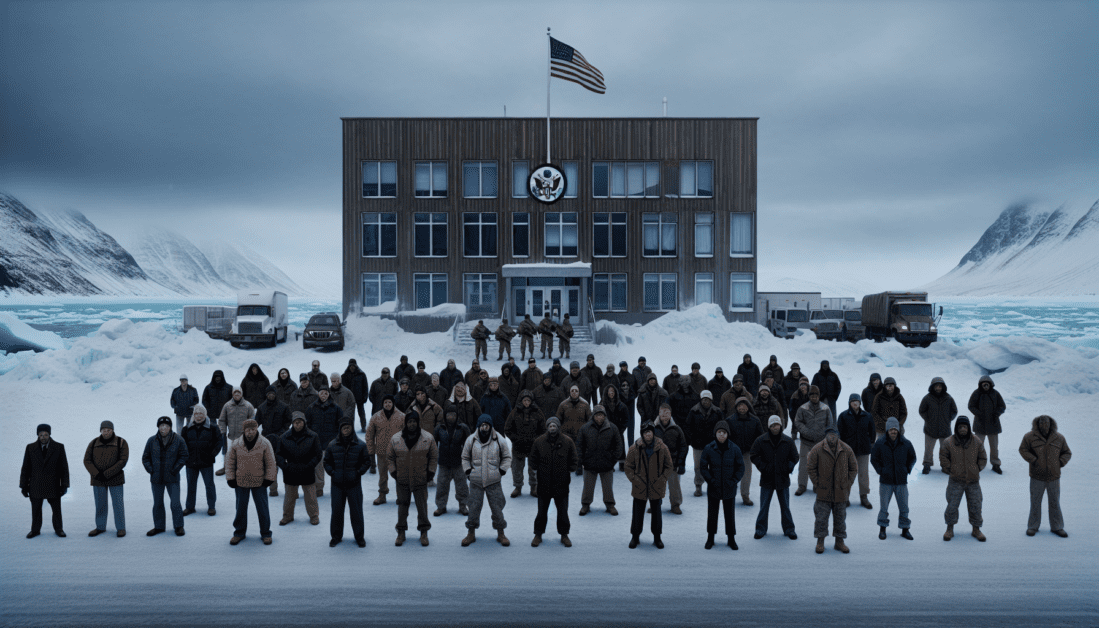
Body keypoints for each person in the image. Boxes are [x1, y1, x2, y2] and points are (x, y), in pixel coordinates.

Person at [388, 410, 439, 547]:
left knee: (422, 507)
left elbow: (434, 456)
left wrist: (431, 472)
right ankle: (401, 532)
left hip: (420, 479)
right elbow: (390, 457)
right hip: (402, 480)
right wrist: (393, 472)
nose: (412, 424)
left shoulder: (427, 438)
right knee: (402, 507)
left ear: (418, 423)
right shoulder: (396, 438)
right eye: (409, 422)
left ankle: (423, 532)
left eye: (414, 421)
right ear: (406, 423)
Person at [461, 415, 513, 547]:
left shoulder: (499, 439)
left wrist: (501, 471)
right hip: (476, 481)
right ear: (479, 426)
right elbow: (465, 457)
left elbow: (507, 457)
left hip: (494, 481)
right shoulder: (471, 440)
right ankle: (470, 533)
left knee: (497, 508)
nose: (485, 428)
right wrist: (468, 471)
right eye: (482, 425)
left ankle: (501, 533)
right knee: (473, 508)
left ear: (491, 426)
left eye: (487, 425)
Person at [807, 426, 858, 554]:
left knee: (840, 518)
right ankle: (820, 542)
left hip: (841, 491)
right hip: (823, 491)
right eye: (830, 434)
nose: (832, 437)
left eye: (834, 434)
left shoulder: (846, 449)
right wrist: (817, 482)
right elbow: (810, 466)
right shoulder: (817, 449)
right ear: (826, 435)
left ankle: (839, 542)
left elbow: (854, 468)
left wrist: (847, 484)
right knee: (821, 518)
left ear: (838, 435)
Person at [529, 416, 578, 547]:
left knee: (563, 512)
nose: (552, 427)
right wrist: (535, 468)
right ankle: (538, 534)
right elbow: (532, 459)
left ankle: (564, 535)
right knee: (541, 512)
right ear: (547, 427)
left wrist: (569, 469)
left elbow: (574, 459)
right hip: (543, 484)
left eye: (554, 425)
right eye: (550, 425)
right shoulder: (539, 442)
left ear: (558, 427)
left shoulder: (567, 441)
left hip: (561, 485)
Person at [1019, 415, 1071, 537]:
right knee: (1035, 503)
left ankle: (1057, 527)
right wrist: (1033, 460)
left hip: (1054, 476)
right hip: (1036, 476)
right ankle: (1032, 526)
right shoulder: (1029, 437)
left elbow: (1067, 452)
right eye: (1041, 423)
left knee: (1055, 502)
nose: (1044, 425)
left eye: (1046, 422)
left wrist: (1060, 462)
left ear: (1051, 424)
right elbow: (1023, 450)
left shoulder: (1059, 438)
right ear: (1037, 424)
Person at [226, 418, 276, 546]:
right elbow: (230, 462)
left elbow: (270, 462)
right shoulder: (236, 444)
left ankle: (266, 533)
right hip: (240, 482)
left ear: (256, 429)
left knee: (263, 509)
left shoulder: (264, 443)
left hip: (259, 482)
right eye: (248, 429)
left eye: (253, 429)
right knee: (240, 509)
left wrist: (269, 478)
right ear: (244, 430)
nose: (250, 432)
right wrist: (230, 478)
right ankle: (239, 532)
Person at [750, 416, 799, 540]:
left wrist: (789, 466)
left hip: (783, 479)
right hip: (767, 479)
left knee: (785, 507)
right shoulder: (761, 440)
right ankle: (760, 529)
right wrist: (763, 466)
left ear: (780, 426)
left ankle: (789, 529)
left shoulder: (788, 441)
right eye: (772, 425)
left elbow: (795, 457)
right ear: (769, 427)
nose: (774, 427)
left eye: (776, 425)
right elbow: (753, 455)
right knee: (764, 506)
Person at [625, 422, 672, 549]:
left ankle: (657, 537)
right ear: (642, 434)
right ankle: (635, 536)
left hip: (656, 486)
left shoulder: (662, 448)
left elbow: (669, 466)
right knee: (637, 513)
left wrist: (662, 479)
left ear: (653, 433)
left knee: (656, 514)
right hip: (639, 486)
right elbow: (628, 466)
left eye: (650, 432)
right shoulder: (634, 448)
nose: (648, 434)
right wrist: (634, 479)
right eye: (645, 432)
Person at [940, 416, 988, 542]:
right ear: (956, 428)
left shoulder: (976, 441)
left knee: (976, 505)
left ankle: (976, 529)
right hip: (955, 481)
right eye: (960, 427)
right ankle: (949, 529)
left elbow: (983, 457)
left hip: (973, 481)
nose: (963, 429)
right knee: (952, 506)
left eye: (965, 427)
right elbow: (943, 457)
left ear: (968, 428)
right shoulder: (948, 442)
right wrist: (950, 469)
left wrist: (977, 469)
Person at [324, 419, 370, 548]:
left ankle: (359, 537)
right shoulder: (332, 445)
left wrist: (358, 472)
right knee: (337, 512)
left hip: (354, 484)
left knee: (356, 512)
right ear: (340, 429)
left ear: (352, 429)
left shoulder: (360, 445)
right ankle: (336, 537)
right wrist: (332, 472)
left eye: (348, 427)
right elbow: (326, 461)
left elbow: (367, 461)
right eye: (344, 427)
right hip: (337, 485)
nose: (346, 430)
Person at [699, 420, 745, 550]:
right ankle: (710, 538)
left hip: (729, 488)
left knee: (729, 515)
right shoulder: (709, 448)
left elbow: (740, 468)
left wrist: (733, 481)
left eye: (724, 433)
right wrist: (711, 480)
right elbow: (703, 467)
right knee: (712, 514)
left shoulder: (734, 449)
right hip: (714, 487)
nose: (721, 435)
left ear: (727, 434)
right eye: (719, 432)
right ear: (716, 434)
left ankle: (731, 539)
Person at [142, 416, 189, 537]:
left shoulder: (178, 439)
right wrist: (151, 470)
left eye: (166, 426)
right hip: (156, 478)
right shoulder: (151, 440)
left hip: (172, 477)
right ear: (158, 427)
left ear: (170, 427)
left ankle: (179, 526)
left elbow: (184, 455)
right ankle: (159, 526)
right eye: (161, 426)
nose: (164, 428)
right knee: (158, 503)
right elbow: (145, 457)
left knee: (175, 503)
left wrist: (175, 469)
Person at [871, 417, 917, 540]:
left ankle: (905, 529)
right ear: (887, 430)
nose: (893, 431)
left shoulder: (906, 443)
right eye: (891, 429)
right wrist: (881, 471)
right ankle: (882, 529)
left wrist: (907, 469)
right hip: (885, 481)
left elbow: (913, 458)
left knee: (904, 507)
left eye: (895, 429)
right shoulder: (880, 443)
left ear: (898, 430)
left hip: (901, 481)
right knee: (884, 507)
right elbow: (873, 459)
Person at [20, 424, 70, 538]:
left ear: (49, 434)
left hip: (53, 485)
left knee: (56, 510)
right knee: (36, 510)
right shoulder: (30, 447)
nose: (43, 437)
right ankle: (35, 530)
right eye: (41, 434)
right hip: (35, 485)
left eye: (46, 434)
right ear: (38, 435)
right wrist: (23, 486)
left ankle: (59, 529)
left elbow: (64, 468)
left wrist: (65, 485)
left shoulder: (59, 447)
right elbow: (25, 468)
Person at [577, 405, 624, 516]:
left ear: (605, 416)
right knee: (588, 487)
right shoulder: (585, 428)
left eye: (601, 415)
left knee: (608, 488)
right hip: (590, 463)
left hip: (607, 464)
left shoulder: (612, 428)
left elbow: (618, 445)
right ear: (593, 416)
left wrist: (612, 460)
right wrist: (583, 460)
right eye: (597, 415)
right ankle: (585, 505)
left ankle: (610, 505)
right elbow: (579, 445)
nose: (599, 417)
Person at [277, 412, 322, 526]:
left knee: (311, 497)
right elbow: (279, 455)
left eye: (300, 422)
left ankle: (314, 516)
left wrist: (309, 465)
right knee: (289, 497)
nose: (298, 424)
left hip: (307, 471)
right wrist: (285, 467)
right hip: (290, 471)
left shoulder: (313, 436)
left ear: (304, 422)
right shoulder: (284, 437)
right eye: (296, 422)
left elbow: (318, 455)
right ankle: (287, 516)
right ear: (292, 423)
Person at [85, 420, 129, 537]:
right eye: (104, 430)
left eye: (109, 430)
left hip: (116, 479)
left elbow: (122, 461)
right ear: (101, 430)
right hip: (98, 479)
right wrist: (96, 473)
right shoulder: (93, 443)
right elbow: (87, 460)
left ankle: (121, 528)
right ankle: (100, 527)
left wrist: (107, 473)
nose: (106, 432)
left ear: (113, 430)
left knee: (118, 504)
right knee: (100, 504)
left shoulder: (121, 442)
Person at [504, 390, 546, 498]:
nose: (526, 402)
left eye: (528, 400)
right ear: (521, 401)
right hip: (519, 445)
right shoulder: (515, 412)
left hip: (533, 446)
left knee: (534, 468)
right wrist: (515, 439)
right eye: (524, 400)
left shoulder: (538, 412)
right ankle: (518, 487)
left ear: (531, 401)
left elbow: (543, 429)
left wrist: (536, 440)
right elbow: (507, 428)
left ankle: (534, 487)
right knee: (517, 468)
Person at [837, 393, 876, 509]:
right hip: (848, 450)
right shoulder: (843, 416)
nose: (855, 403)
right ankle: (845, 497)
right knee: (847, 474)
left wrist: (870, 443)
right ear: (849, 403)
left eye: (857, 401)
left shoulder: (867, 416)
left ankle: (864, 497)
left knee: (863, 474)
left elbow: (872, 432)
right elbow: (839, 433)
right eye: (853, 401)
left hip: (863, 450)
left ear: (860, 403)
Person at [181, 406, 220, 517]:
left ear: (205, 414)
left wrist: (212, 454)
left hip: (206, 462)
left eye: (201, 413)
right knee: (191, 485)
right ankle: (190, 507)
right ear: (194, 415)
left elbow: (219, 442)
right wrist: (186, 457)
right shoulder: (186, 428)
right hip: (191, 462)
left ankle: (211, 507)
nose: (198, 415)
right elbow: (182, 445)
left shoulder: (212, 427)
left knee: (209, 485)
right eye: (196, 413)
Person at [794, 386, 834, 496]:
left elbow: (830, 423)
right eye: (812, 395)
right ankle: (802, 485)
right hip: (806, 441)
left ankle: (818, 485)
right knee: (804, 464)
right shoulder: (803, 408)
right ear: (809, 396)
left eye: (816, 395)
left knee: (820, 464)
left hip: (821, 442)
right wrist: (805, 431)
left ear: (819, 395)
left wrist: (825, 434)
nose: (814, 397)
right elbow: (798, 422)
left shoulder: (825, 408)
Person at [365, 395, 404, 505]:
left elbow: (408, 434)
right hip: (382, 452)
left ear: (393, 403)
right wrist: (371, 451)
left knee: (399, 475)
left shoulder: (402, 416)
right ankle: (382, 496)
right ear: (383, 404)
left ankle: (400, 496)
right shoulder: (376, 417)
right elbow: (369, 435)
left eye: (389, 402)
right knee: (382, 476)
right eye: (385, 402)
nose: (387, 404)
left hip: (397, 452)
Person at [434, 408, 471, 516]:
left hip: (458, 463)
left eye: (453, 414)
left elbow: (469, 445)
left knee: (462, 486)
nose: (451, 417)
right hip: (444, 463)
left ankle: (463, 506)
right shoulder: (439, 428)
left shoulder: (462, 428)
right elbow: (433, 445)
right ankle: (441, 506)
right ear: (445, 416)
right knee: (442, 486)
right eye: (449, 415)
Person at [686, 390, 724, 498]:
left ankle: (714, 485)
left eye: (707, 399)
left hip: (713, 444)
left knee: (714, 465)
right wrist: (692, 438)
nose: (705, 401)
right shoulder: (694, 411)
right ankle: (698, 485)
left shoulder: (717, 412)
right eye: (704, 399)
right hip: (697, 444)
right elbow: (688, 426)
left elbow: (722, 425)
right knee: (698, 466)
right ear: (701, 400)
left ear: (711, 400)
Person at [255, 385, 290, 497]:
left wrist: (283, 431)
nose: (271, 395)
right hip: (268, 439)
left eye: (273, 393)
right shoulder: (261, 407)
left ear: (276, 394)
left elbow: (288, 420)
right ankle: (273, 489)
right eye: (269, 393)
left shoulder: (283, 406)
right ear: (266, 394)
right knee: (271, 465)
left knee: (285, 464)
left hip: (282, 439)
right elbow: (256, 423)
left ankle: (289, 489)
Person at [728, 397, 764, 506]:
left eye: (744, 405)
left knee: (746, 474)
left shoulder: (755, 420)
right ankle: (729, 494)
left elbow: (760, 437)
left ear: (748, 407)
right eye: (739, 405)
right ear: (736, 407)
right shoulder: (729, 420)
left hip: (748, 452)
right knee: (731, 474)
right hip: (733, 452)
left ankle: (745, 495)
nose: (742, 408)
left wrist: (758, 450)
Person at [654, 404, 688, 515]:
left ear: (670, 414)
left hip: (672, 463)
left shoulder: (676, 429)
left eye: (667, 413)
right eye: (663, 413)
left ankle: (675, 504)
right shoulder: (653, 428)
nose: (665, 415)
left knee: (674, 485)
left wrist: (680, 463)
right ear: (659, 414)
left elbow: (683, 446)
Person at [918, 377, 957, 474]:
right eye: (936, 386)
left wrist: (948, 419)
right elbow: (922, 410)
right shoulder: (927, 398)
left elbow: (954, 411)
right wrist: (928, 419)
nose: (938, 388)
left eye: (940, 386)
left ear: (943, 387)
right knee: (928, 449)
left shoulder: (949, 398)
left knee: (945, 450)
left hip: (945, 429)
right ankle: (927, 464)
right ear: (932, 387)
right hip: (930, 429)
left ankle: (945, 466)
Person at [969, 375, 1006, 475]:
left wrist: (997, 413)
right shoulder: (976, 393)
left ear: (990, 384)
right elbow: (971, 406)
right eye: (983, 384)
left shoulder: (995, 393)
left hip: (993, 424)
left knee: (994, 446)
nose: (985, 386)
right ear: (980, 385)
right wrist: (978, 413)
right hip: (980, 424)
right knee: (978, 445)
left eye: (987, 384)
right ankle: (977, 463)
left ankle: (995, 464)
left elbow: (1002, 406)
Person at [217, 387, 256, 476]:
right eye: (235, 393)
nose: (237, 394)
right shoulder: (227, 405)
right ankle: (226, 468)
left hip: (243, 436)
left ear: (241, 394)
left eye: (239, 393)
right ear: (232, 394)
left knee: (244, 454)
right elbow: (222, 420)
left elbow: (252, 420)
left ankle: (244, 469)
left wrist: (249, 432)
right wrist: (223, 431)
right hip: (231, 436)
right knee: (229, 453)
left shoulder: (248, 405)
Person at [202, 370, 232, 471]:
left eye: (219, 376)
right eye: (216, 376)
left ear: (222, 377)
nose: (217, 378)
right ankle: (210, 459)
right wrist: (209, 410)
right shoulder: (208, 387)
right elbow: (204, 400)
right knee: (213, 437)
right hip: (213, 417)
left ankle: (225, 460)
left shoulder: (228, 388)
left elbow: (233, 400)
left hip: (225, 416)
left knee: (224, 438)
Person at [343, 358, 369, 431]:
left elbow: (365, 387)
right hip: (349, 399)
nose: (352, 367)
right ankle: (350, 428)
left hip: (359, 398)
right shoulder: (345, 375)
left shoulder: (362, 374)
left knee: (361, 413)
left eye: (353, 365)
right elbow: (343, 388)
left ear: (356, 366)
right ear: (348, 366)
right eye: (351, 365)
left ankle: (363, 427)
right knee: (350, 414)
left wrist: (365, 396)